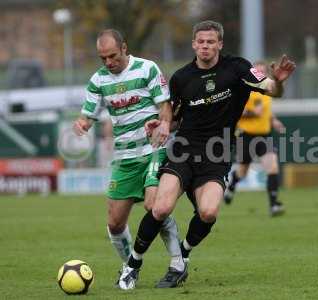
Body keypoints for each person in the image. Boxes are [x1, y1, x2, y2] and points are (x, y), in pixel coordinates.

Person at [119, 20, 296, 289]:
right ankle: (132, 265)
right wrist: (161, 123)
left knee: (209, 212)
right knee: (161, 207)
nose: (205, 46)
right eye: (201, 41)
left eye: (211, 42)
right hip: (184, 151)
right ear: (193, 44)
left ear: (220, 44)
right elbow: (175, 118)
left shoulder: (238, 68)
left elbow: (271, 88)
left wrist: (279, 83)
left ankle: (182, 257)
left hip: (217, 153)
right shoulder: (181, 78)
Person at [72, 29, 185, 289]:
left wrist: (165, 125)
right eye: (103, 58)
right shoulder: (97, 80)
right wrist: (82, 123)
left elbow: (164, 105)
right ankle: (129, 266)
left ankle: (177, 260)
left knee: (153, 206)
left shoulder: (147, 69)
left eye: (112, 56)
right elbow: (88, 114)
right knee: (114, 223)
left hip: (153, 148)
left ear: (124, 48)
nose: (108, 62)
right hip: (124, 156)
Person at [224, 61, 286, 216]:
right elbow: (237, 111)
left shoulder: (267, 91)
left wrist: (274, 121)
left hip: (264, 135)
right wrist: (252, 112)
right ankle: (232, 185)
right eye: (256, 72)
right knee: (243, 171)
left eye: (262, 72)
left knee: (272, 167)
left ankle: (274, 205)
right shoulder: (244, 90)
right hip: (246, 135)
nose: (259, 75)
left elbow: (266, 112)